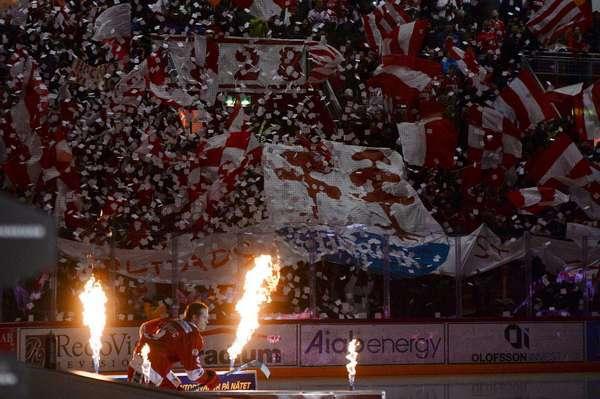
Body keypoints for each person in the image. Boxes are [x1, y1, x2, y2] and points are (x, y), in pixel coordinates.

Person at [128, 301, 220, 390]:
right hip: (145, 372)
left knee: (177, 391)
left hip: (144, 366)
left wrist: (176, 386)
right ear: (194, 317)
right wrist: (209, 379)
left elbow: (145, 327)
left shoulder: (172, 322)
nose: (207, 321)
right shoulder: (193, 336)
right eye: (204, 317)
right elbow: (194, 373)